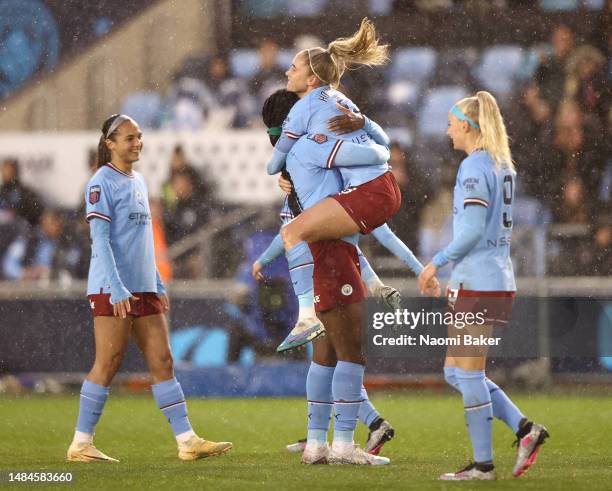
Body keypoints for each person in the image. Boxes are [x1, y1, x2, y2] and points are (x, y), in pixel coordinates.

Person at [66, 114, 232, 463]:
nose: (137, 143)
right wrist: (117, 287)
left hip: (143, 288)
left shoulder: (139, 180)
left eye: (139, 137)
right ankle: (81, 443)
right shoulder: (101, 183)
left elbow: (143, 242)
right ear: (110, 143)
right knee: (108, 362)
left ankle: (187, 440)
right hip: (113, 289)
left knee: (163, 360)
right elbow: (100, 241)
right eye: (129, 138)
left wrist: (156, 282)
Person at [417, 92, 549, 480]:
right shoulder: (501, 164)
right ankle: (526, 429)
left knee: (469, 374)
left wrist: (435, 264)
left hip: (478, 279)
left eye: (451, 122)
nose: (447, 130)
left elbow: (472, 231)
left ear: (468, 125)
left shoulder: (474, 167)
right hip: (492, 276)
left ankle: (483, 465)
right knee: (455, 372)